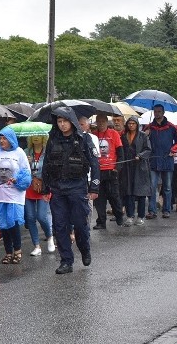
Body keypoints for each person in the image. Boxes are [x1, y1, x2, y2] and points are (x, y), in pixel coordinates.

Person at [42, 107, 100, 275]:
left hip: (77, 187)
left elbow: (95, 164)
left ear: (71, 122)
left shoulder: (84, 139)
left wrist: (94, 187)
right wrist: (45, 187)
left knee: (81, 225)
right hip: (58, 188)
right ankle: (66, 261)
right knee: (59, 226)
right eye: (59, 122)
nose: (62, 125)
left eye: (64, 121)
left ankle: (85, 249)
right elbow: (46, 165)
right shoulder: (53, 139)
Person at [0, 126, 32, 264]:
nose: (2, 141)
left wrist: (17, 179)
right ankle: (8, 252)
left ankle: (17, 250)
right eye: (0, 138)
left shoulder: (19, 153)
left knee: (12, 223)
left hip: (14, 194)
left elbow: (26, 173)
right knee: (3, 224)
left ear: (11, 139)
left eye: (4, 138)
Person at [147, 105, 177, 219]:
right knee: (152, 187)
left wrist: (173, 150)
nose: (157, 113)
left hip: (167, 159)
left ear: (163, 112)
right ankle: (152, 211)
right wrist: (145, 135)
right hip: (153, 160)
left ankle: (167, 210)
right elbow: (142, 141)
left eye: (159, 111)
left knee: (167, 187)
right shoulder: (149, 127)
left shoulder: (171, 127)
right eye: (155, 111)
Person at [92, 113, 125, 229]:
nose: (100, 124)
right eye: (98, 122)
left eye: (102, 122)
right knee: (99, 198)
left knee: (114, 196)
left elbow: (121, 154)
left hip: (111, 169)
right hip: (98, 171)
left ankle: (119, 216)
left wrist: (117, 169)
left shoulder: (114, 134)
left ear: (107, 122)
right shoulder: (94, 135)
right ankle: (101, 221)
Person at [23, 134, 55, 256]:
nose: (36, 137)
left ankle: (50, 236)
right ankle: (36, 246)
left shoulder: (48, 151)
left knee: (41, 216)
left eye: (39, 135)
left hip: (44, 186)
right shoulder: (26, 152)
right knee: (30, 217)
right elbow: (21, 169)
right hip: (29, 186)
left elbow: (52, 169)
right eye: (33, 135)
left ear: (43, 137)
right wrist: (27, 163)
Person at [119, 116, 152, 226]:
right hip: (127, 167)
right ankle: (129, 216)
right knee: (128, 192)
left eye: (133, 123)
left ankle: (141, 216)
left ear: (137, 124)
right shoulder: (123, 136)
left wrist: (140, 156)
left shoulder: (143, 136)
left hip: (140, 167)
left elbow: (148, 149)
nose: (131, 125)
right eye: (129, 123)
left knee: (141, 192)